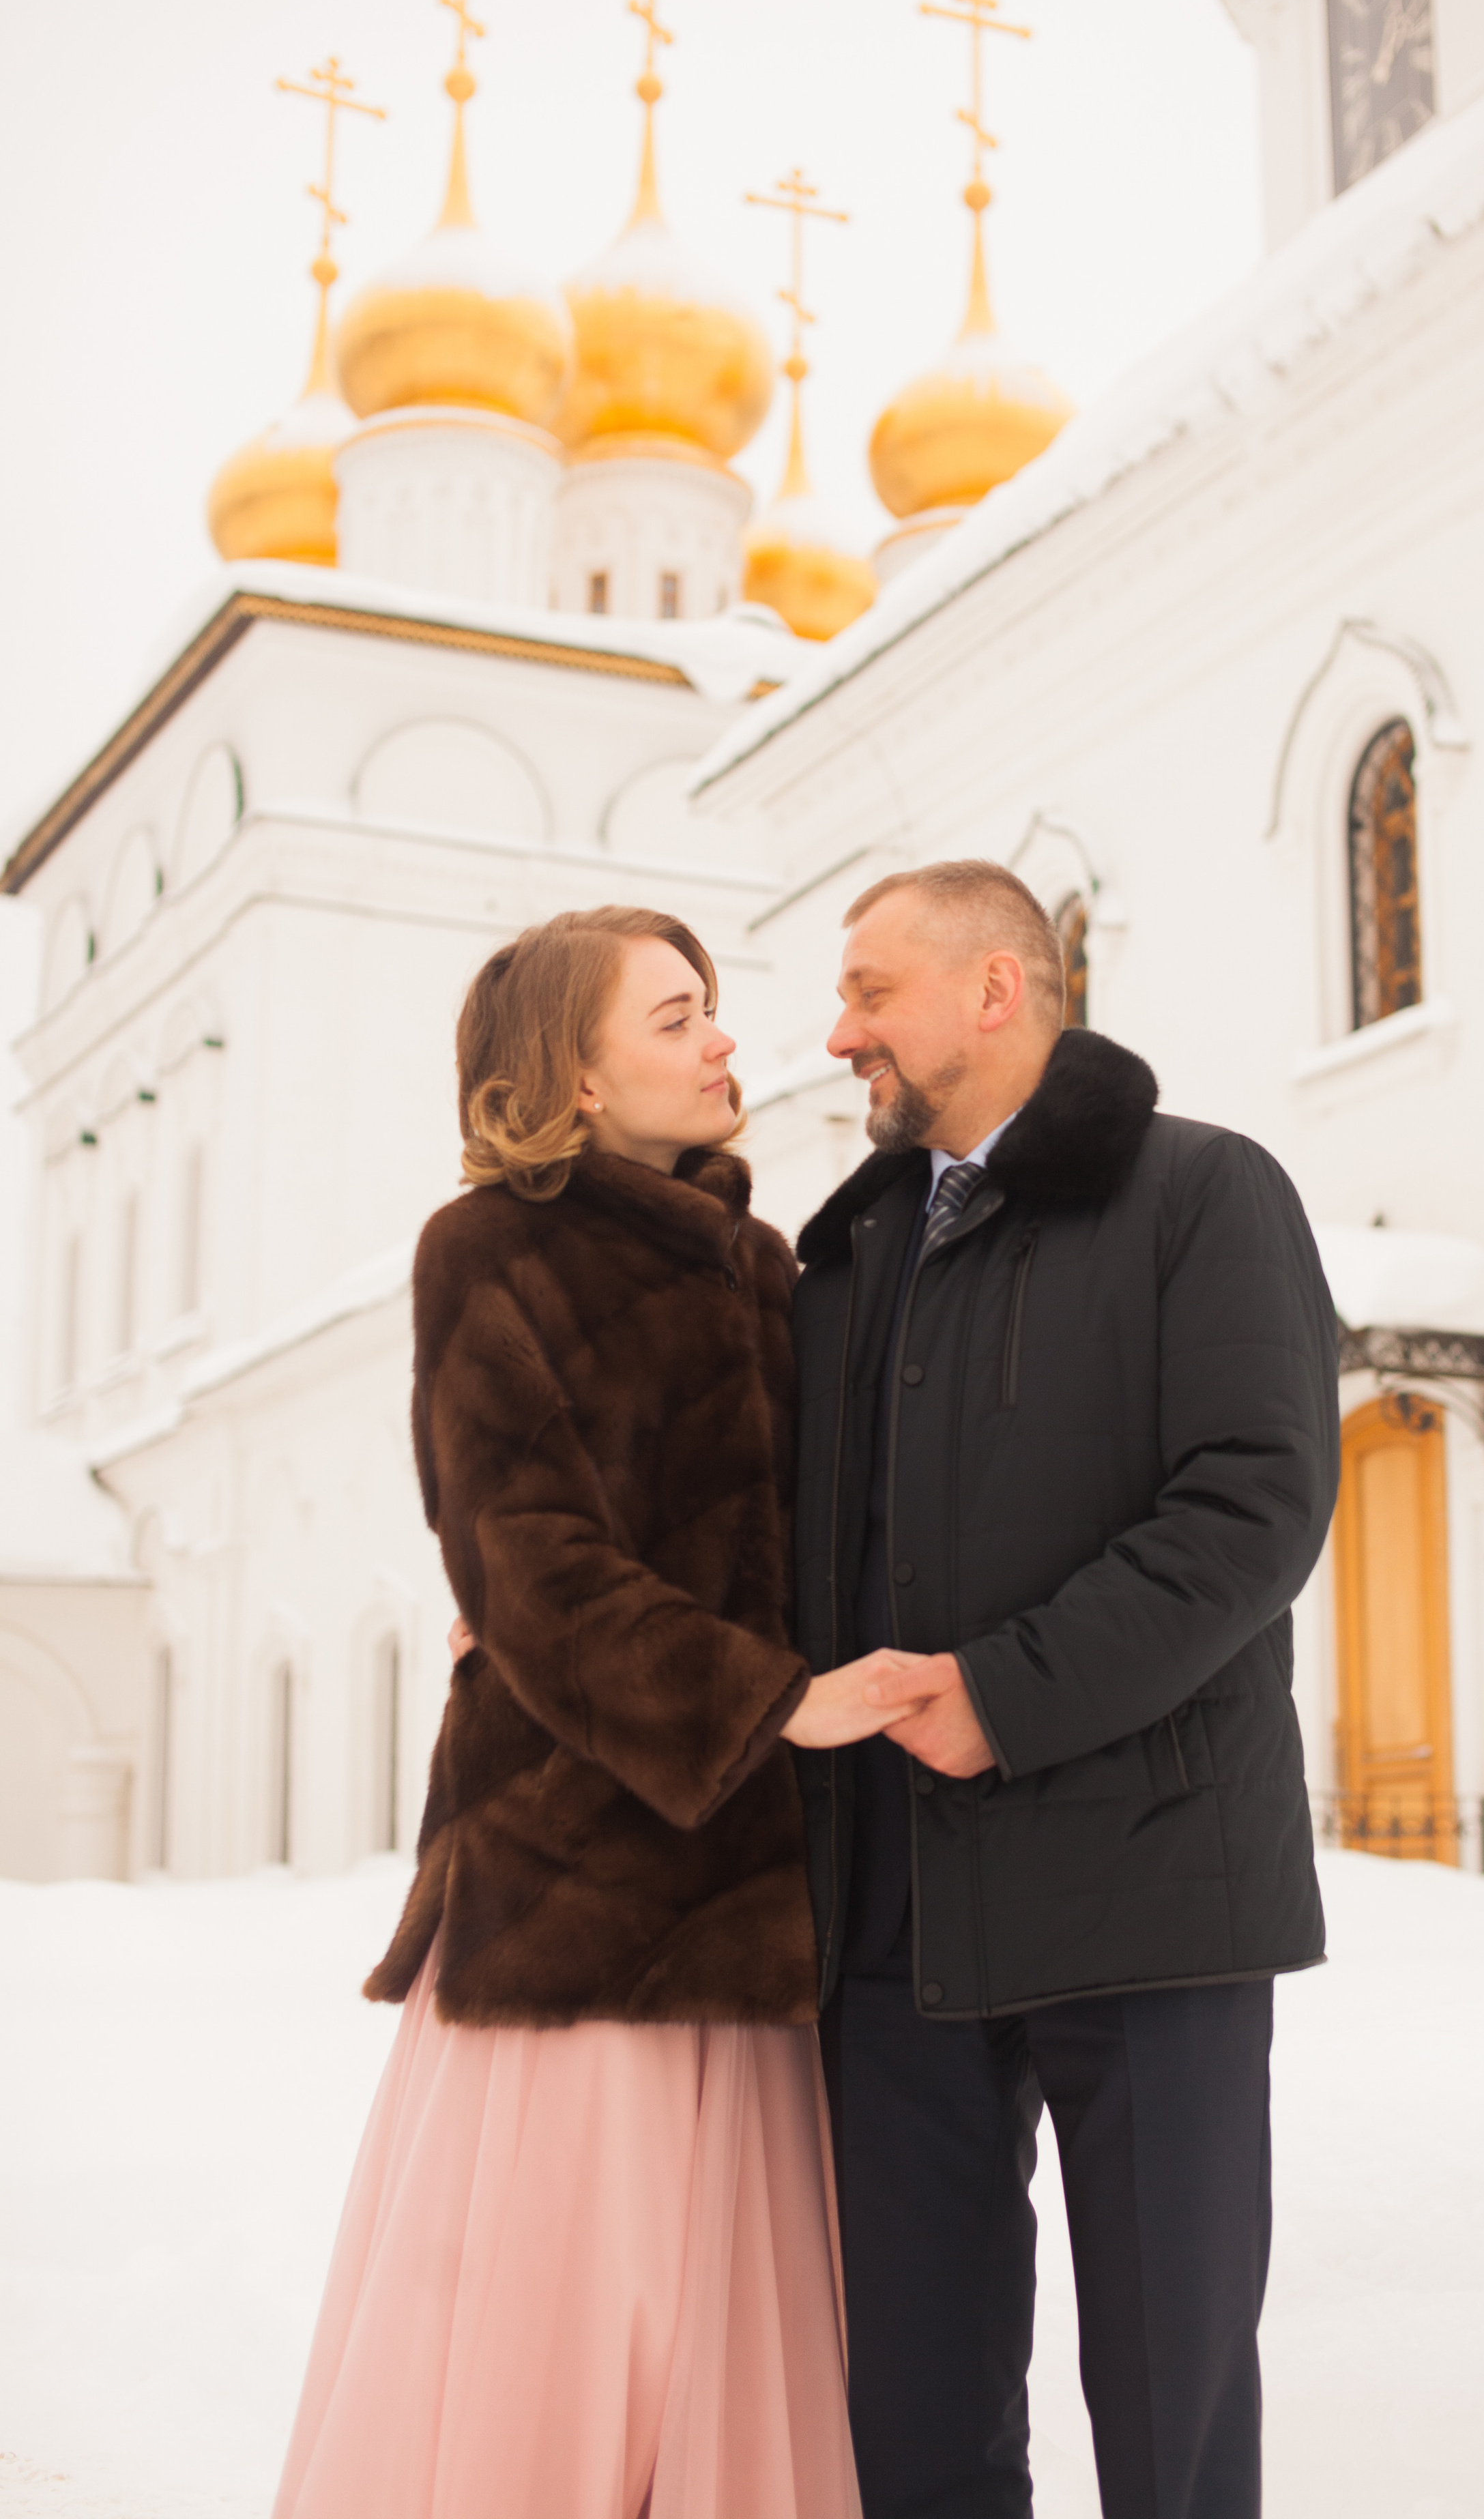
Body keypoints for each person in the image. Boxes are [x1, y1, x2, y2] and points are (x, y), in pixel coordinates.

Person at [274, 907, 916, 2519]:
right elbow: (525, 1563)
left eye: (713, 1012)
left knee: (717, 2363)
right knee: (557, 2350)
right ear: (567, 1065)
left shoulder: (768, 1266)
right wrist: (777, 1705)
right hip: (574, 1892)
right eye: (679, 1015)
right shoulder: (484, 1248)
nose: (724, 1043)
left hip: (752, 1903)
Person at [788, 860, 1342, 2519]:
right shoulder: (847, 1256)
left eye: (870, 990)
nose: (837, 1032)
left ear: (994, 991)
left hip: (1150, 1897)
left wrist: (1004, 1695)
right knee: (915, 2426)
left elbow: (1252, 1506)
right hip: (897, 1920)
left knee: (1169, 2427)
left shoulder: (1203, 1194)